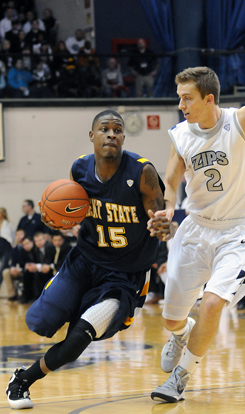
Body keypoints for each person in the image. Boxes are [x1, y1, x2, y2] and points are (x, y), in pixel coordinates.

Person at [148, 4, 245, 403]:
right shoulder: (181, 134)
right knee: (172, 316)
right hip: (195, 227)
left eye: (187, 98)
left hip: (239, 230)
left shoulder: (241, 121)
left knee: (213, 303)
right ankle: (179, 334)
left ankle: (180, 377)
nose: (181, 105)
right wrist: (167, 206)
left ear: (209, 99)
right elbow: (172, 179)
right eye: (179, 98)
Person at [6, 109, 168, 409]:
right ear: (92, 136)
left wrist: (162, 226)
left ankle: (23, 380)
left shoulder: (142, 172)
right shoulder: (79, 169)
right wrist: (57, 222)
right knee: (39, 321)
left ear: (123, 136)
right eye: (104, 129)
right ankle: (72, 305)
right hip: (83, 262)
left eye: (117, 129)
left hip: (123, 276)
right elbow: (70, 213)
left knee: (79, 338)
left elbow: (160, 217)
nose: (111, 134)